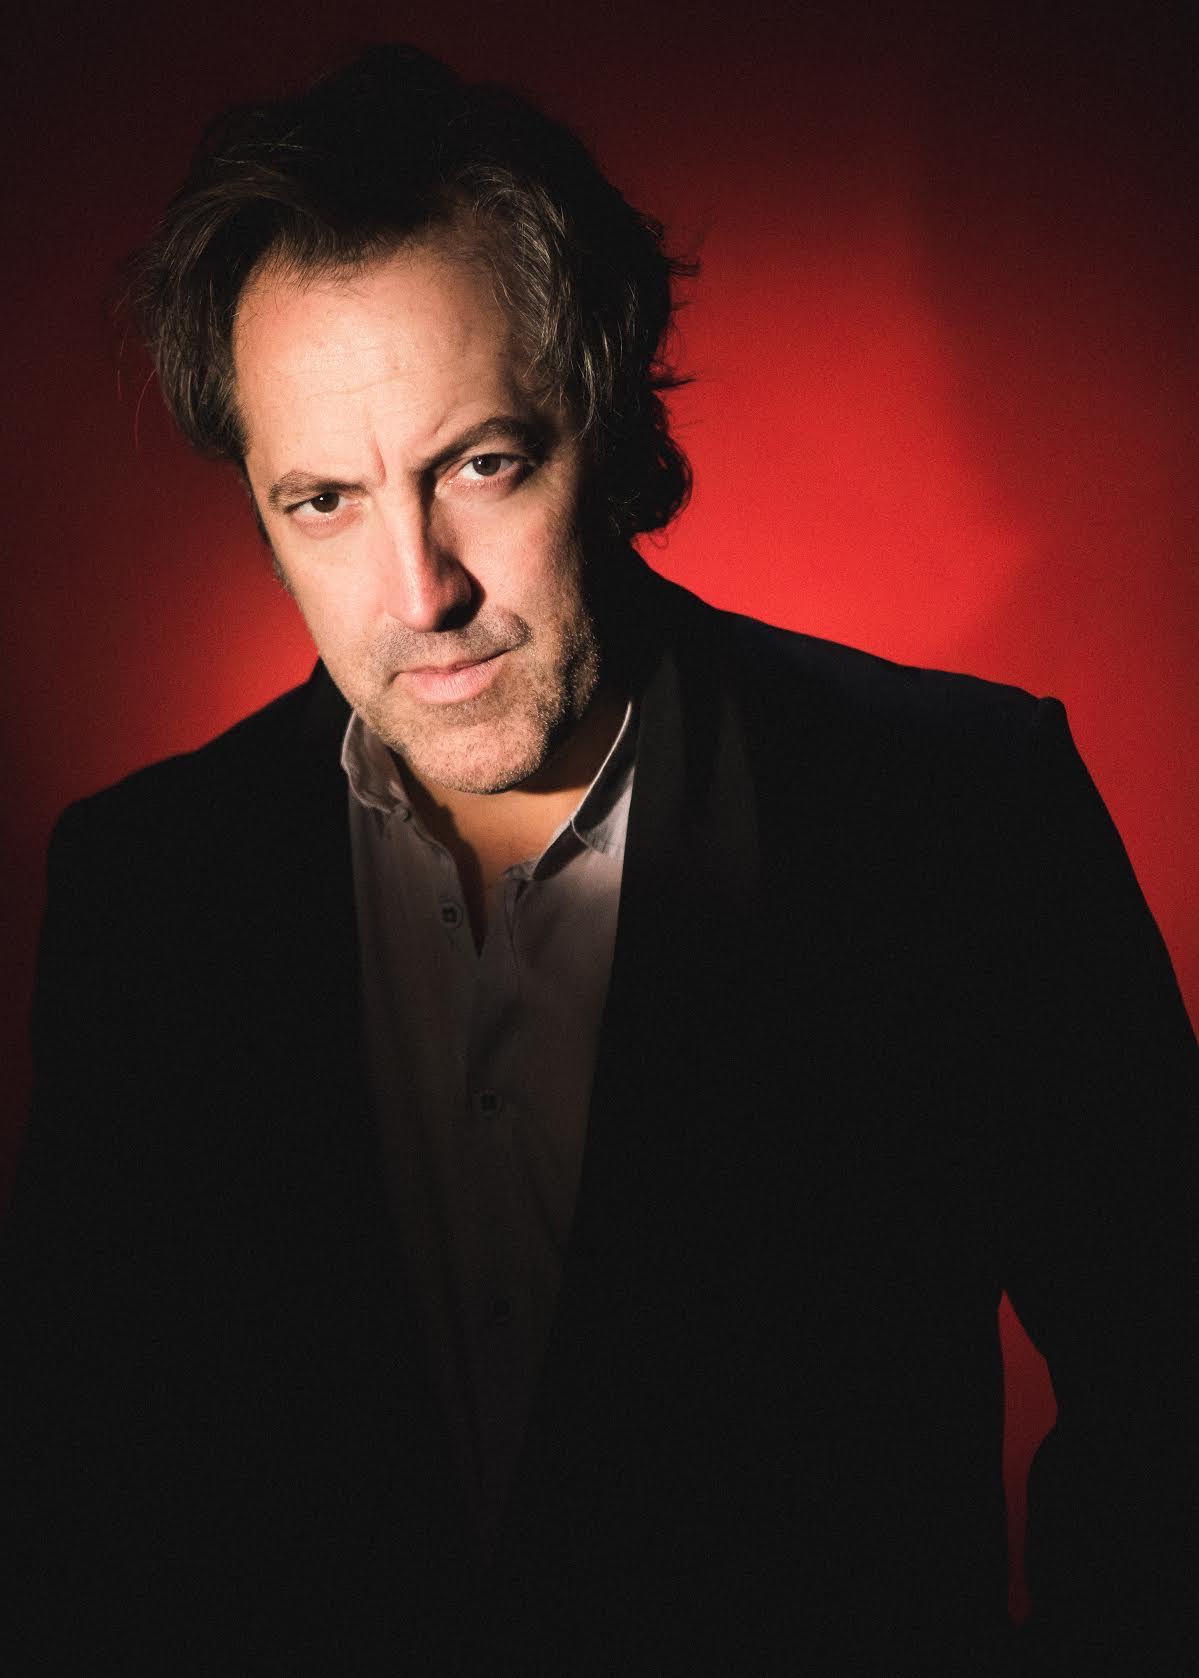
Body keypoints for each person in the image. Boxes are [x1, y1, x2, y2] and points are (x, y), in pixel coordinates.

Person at [4, 44, 1196, 1678]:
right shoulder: (147, 891)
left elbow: (1172, 1381)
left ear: (611, 415)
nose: (418, 590)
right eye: (324, 499)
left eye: (481, 462)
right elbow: (78, 1493)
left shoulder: (959, 814)